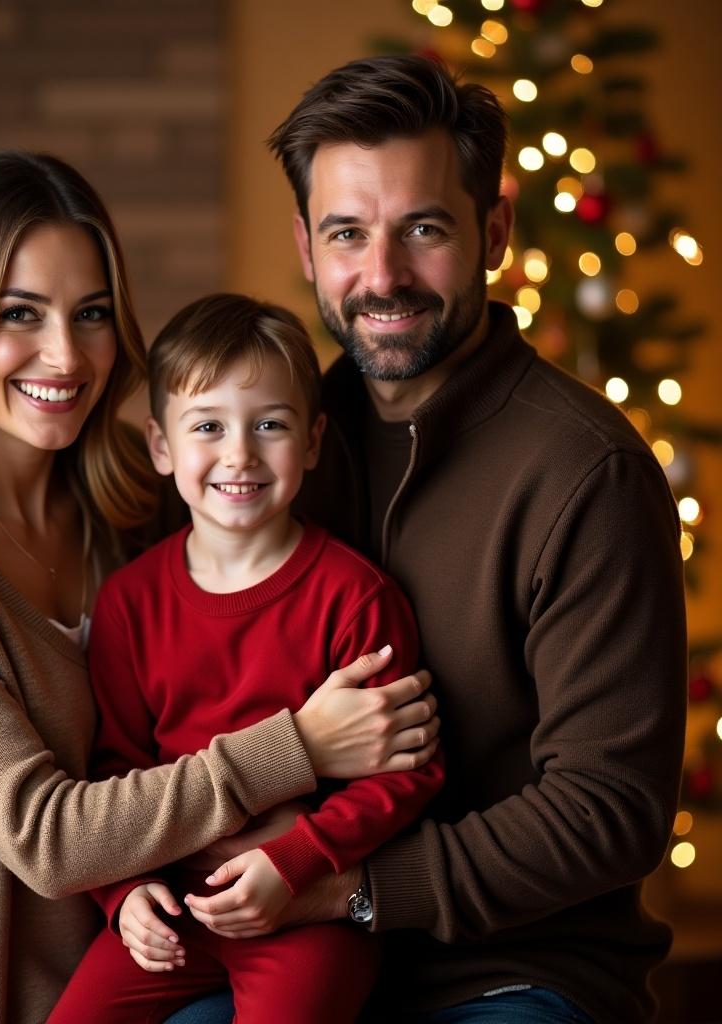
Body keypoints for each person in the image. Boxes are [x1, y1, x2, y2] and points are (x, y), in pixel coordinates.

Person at [0, 151, 441, 1023]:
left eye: (90, 313)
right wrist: (302, 749)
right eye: (21, 314)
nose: (65, 353)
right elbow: (48, 838)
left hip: (171, 964)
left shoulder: (134, 502)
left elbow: (228, 668)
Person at [179, 54, 688, 1024]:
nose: (382, 277)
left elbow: (608, 810)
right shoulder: (268, 448)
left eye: (422, 228)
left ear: (492, 230)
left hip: (514, 971)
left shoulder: (587, 473)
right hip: (279, 947)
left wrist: (352, 884)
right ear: (304, 245)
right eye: (346, 234)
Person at [48, 294, 445, 1023]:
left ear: (314, 441)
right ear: (162, 448)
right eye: (208, 427)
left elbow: (407, 774)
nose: (240, 454)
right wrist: (122, 894)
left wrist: (294, 865)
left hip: (302, 909)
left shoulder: (354, 597)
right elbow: (112, 769)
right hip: (174, 910)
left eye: (270, 425)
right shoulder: (129, 603)